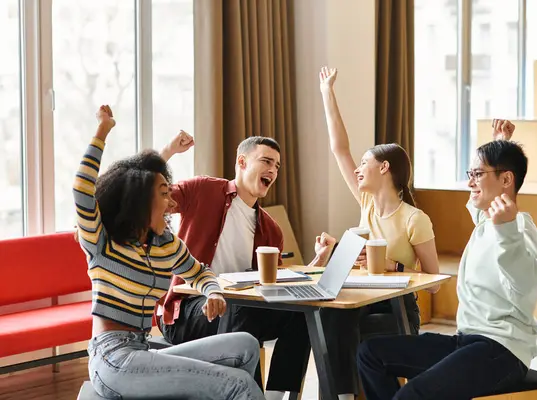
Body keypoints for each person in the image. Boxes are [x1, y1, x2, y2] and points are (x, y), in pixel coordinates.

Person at [75, 106, 264, 400]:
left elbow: (199, 271)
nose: (171, 202)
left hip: (142, 347)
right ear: (140, 200)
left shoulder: (165, 245)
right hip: (112, 359)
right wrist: (102, 131)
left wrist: (213, 292)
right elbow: (82, 189)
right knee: (237, 384)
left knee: (246, 345)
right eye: (164, 193)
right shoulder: (102, 241)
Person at [357, 120, 537, 400]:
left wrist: (508, 230)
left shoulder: (518, 228)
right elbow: (481, 203)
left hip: (501, 352)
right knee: (370, 354)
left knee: (412, 394)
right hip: (467, 342)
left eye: (477, 174)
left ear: (506, 180)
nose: (470, 182)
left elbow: (524, 283)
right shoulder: (488, 222)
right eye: (471, 173)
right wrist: (500, 145)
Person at [155, 131, 335, 400]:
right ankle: (250, 396)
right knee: (241, 307)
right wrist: (168, 152)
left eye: (277, 166)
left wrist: (316, 264)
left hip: (237, 311)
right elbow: (150, 196)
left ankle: (275, 396)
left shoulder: (271, 229)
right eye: (266, 161)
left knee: (301, 311)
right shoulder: (202, 190)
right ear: (241, 162)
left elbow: (273, 283)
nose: (272, 170)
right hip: (188, 310)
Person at [318, 66, 441, 399]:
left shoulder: (415, 219)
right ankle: (341, 397)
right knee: (328, 317)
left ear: (384, 167)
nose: (357, 169)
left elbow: (432, 281)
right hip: (362, 300)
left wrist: (393, 267)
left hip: (397, 309)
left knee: (348, 325)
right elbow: (338, 149)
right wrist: (327, 93)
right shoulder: (367, 204)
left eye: (365, 162)